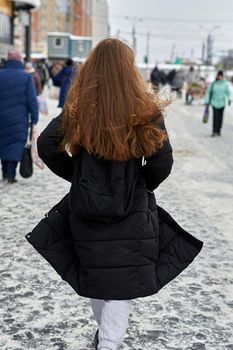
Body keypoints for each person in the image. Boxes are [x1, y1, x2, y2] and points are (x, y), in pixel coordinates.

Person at [28, 38, 203, 349]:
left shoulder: (80, 106)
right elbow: (163, 161)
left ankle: (107, 339)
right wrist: (141, 184)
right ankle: (109, 343)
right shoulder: (144, 108)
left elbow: (46, 146)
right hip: (131, 211)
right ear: (129, 69)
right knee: (120, 284)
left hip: (85, 211)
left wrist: (80, 178)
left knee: (97, 274)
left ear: (93, 67)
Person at [0, 49, 38, 183]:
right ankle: (11, 174)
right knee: (16, 144)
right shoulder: (26, 77)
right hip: (19, 118)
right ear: (20, 60)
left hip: (1, 117)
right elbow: (32, 99)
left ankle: (5, 172)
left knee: (3, 143)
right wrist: (34, 117)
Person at [204, 70, 231, 137]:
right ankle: (214, 131)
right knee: (215, 117)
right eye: (219, 75)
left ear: (222, 76)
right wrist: (207, 101)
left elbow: (228, 92)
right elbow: (208, 92)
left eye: (221, 76)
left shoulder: (225, 84)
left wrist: (230, 99)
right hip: (214, 102)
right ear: (217, 76)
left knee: (220, 118)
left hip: (222, 103)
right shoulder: (213, 84)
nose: (219, 77)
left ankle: (219, 131)